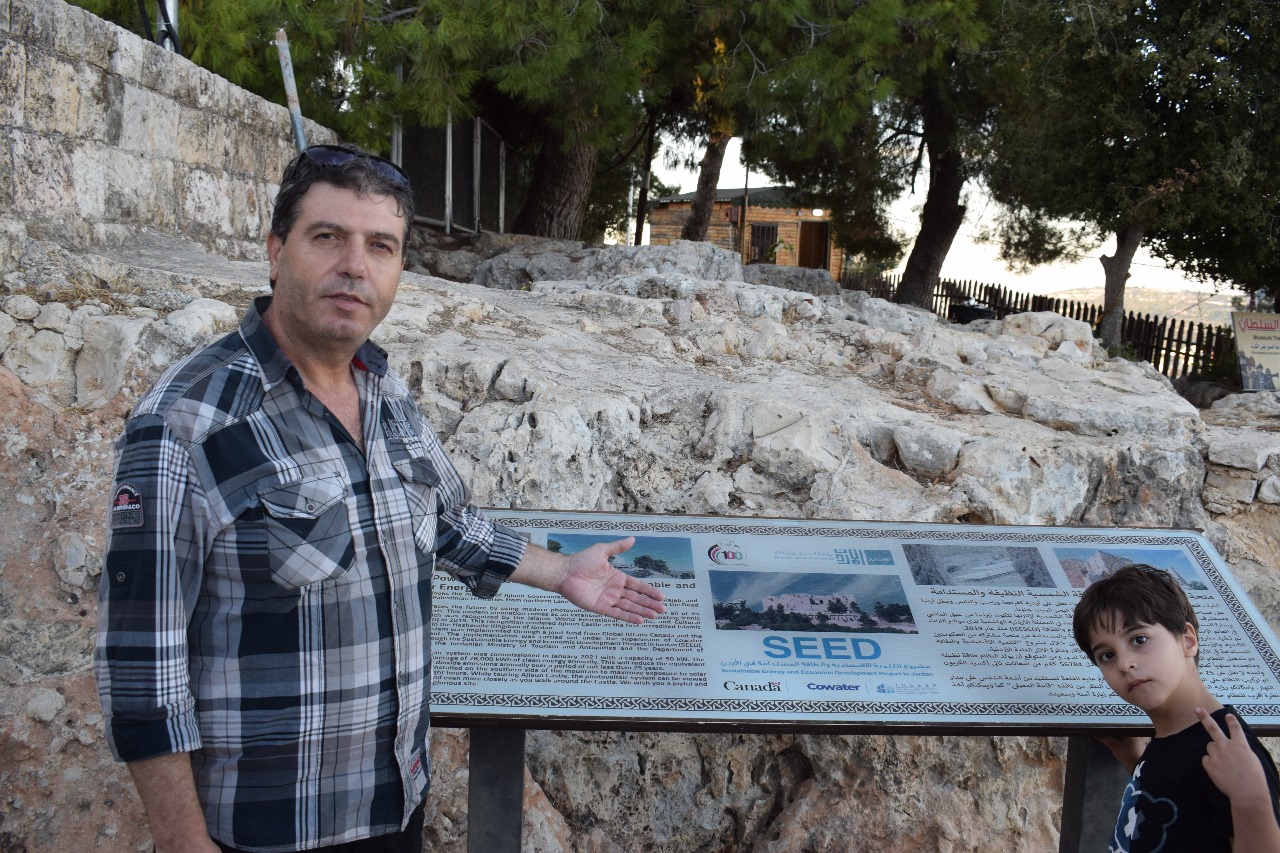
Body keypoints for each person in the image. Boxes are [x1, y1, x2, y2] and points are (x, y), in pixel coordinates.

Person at [94, 143, 666, 853]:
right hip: (271, 829)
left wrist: (561, 571)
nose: (354, 266)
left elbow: (446, 522)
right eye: (327, 237)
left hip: (396, 805)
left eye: (381, 246)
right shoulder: (188, 421)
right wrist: (182, 840)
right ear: (275, 252)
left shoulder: (383, 390)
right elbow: (140, 660)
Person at [1072, 564, 1280, 853]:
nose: (1125, 664)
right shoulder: (1170, 739)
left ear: (1187, 640)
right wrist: (1138, 763)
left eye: (1139, 639)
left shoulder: (1229, 750)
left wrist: (1250, 799)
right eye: (1107, 655)